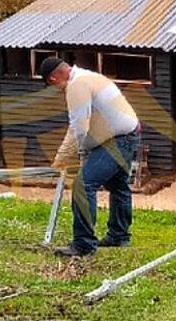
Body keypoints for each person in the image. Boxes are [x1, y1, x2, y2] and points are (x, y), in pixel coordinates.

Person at [41, 57, 141, 257]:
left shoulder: (76, 86)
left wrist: (65, 157)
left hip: (117, 140)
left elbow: (78, 127)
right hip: (129, 133)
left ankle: (83, 245)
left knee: (83, 185)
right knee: (118, 185)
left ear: (53, 78)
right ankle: (119, 236)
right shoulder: (88, 76)